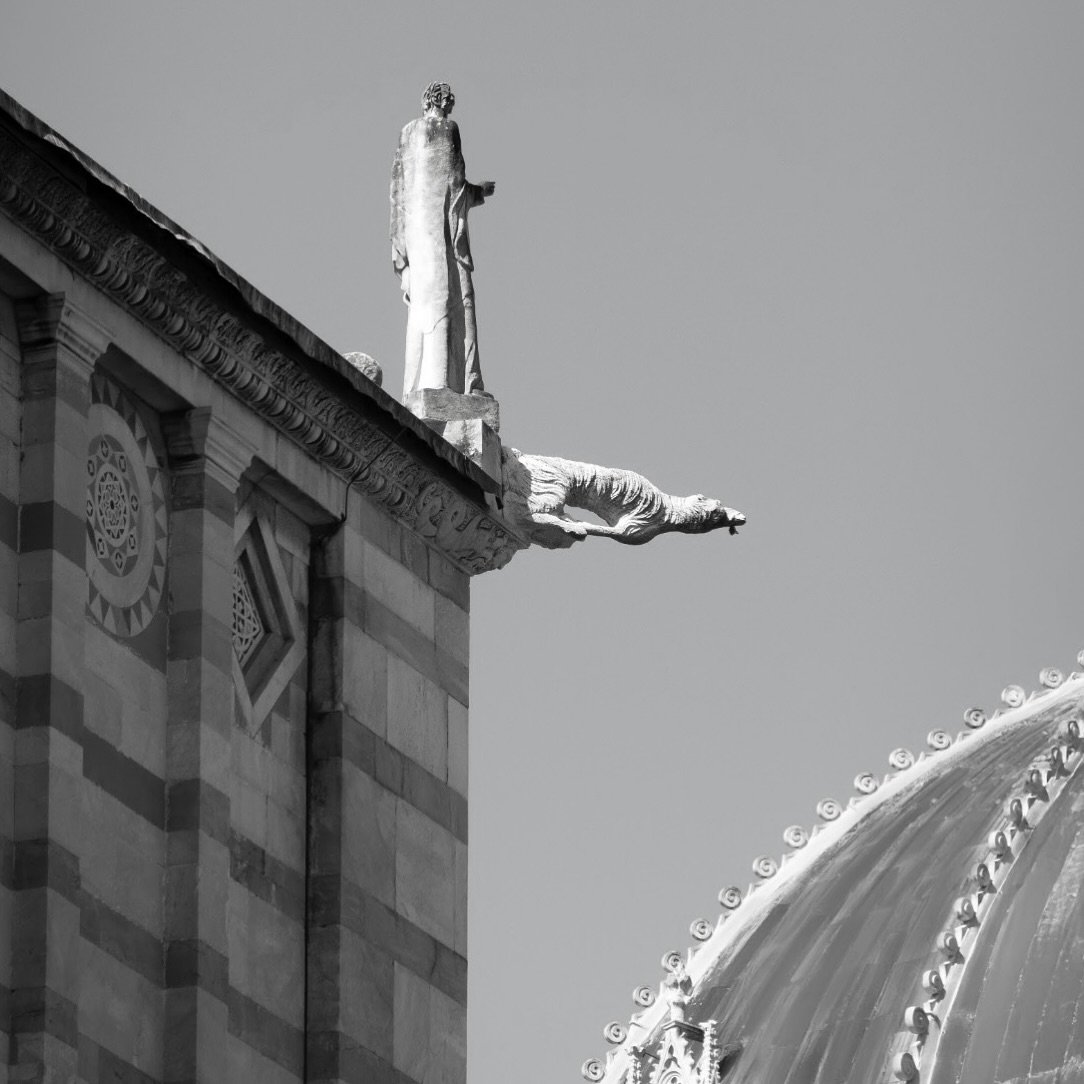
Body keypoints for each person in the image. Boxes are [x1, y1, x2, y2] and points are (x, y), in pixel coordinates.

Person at [390, 82, 496, 397]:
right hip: (441, 234)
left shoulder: (406, 134)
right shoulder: (448, 129)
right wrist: (480, 192)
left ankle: (425, 383)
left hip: (415, 233)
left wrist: (400, 254)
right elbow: (456, 182)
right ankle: (451, 384)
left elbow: (397, 193)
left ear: (425, 102)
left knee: (426, 305)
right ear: (444, 104)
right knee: (458, 301)